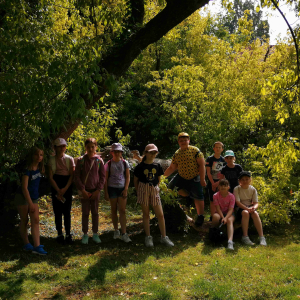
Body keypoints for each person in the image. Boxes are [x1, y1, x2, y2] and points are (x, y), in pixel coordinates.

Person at [134, 144, 174, 247]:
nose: (152, 155)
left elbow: (159, 179)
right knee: (146, 214)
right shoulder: (140, 166)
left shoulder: (157, 166)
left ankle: (164, 237)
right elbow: (136, 181)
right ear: (145, 153)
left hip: (154, 189)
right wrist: (139, 191)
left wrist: (156, 188)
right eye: (150, 152)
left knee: (160, 214)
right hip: (143, 189)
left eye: (154, 153)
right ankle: (148, 237)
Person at [164, 132, 206, 227]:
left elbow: (202, 165)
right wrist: (162, 178)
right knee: (170, 187)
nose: (183, 142)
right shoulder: (177, 153)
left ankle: (200, 216)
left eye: (185, 140)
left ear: (189, 141)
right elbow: (172, 167)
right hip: (182, 176)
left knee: (198, 195)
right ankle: (187, 197)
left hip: (195, 176)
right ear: (178, 142)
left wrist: (202, 179)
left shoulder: (195, 150)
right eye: (181, 141)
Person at [15, 146, 48, 255]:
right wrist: (30, 203)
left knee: (36, 220)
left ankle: (37, 246)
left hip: (33, 197)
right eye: (37, 154)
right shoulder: (27, 169)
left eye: (41, 155)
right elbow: (24, 188)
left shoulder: (41, 168)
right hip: (23, 197)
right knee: (24, 220)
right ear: (32, 155)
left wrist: (33, 202)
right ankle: (26, 243)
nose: (39, 157)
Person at [74, 138, 106, 244]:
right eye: (88, 147)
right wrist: (83, 190)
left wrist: (98, 190)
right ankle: (85, 234)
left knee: (95, 212)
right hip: (85, 191)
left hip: (95, 191)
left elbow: (102, 177)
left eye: (93, 146)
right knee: (85, 213)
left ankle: (95, 233)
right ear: (85, 148)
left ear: (96, 147)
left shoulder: (99, 161)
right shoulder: (81, 160)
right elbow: (77, 176)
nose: (91, 149)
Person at [48, 138, 75, 245]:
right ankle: (60, 234)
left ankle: (68, 234)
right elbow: (50, 177)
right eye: (59, 146)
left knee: (67, 211)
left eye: (63, 146)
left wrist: (64, 189)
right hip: (56, 184)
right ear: (55, 148)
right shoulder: (51, 160)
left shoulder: (69, 159)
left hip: (67, 185)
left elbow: (72, 176)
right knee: (57, 211)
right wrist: (58, 190)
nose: (61, 148)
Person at [104, 143, 131, 243]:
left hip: (122, 188)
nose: (117, 153)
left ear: (121, 152)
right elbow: (105, 179)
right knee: (114, 210)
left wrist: (126, 189)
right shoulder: (108, 164)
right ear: (112, 152)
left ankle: (124, 233)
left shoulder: (125, 163)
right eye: (115, 151)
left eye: (119, 151)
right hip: (112, 189)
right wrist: (106, 192)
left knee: (122, 210)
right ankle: (116, 230)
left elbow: (128, 176)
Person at [234, 171, 267, 246]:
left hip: (250, 207)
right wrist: (247, 208)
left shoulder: (253, 189)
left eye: (246, 179)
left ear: (250, 179)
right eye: (242, 179)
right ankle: (245, 237)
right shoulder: (237, 189)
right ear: (239, 181)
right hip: (240, 208)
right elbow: (237, 202)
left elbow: (256, 203)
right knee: (245, 213)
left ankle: (262, 237)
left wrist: (253, 208)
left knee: (255, 213)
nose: (245, 181)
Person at [211, 179, 235, 250]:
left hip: (229, 214)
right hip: (219, 213)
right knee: (215, 217)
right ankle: (213, 236)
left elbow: (231, 209)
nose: (223, 187)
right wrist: (222, 217)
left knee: (230, 221)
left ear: (228, 187)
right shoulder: (215, 195)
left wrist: (226, 218)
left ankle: (230, 241)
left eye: (225, 185)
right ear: (218, 187)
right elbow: (217, 208)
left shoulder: (231, 196)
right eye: (221, 185)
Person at [206, 141, 226, 219]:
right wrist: (213, 183)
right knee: (212, 199)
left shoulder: (224, 160)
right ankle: (212, 216)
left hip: (221, 182)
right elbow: (208, 172)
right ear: (214, 149)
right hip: (211, 181)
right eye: (216, 147)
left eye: (219, 147)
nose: (218, 149)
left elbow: (224, 173)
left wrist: (218, 183)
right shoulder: (210, 159)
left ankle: (221, 216)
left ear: (222, 149)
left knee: (221, 198)